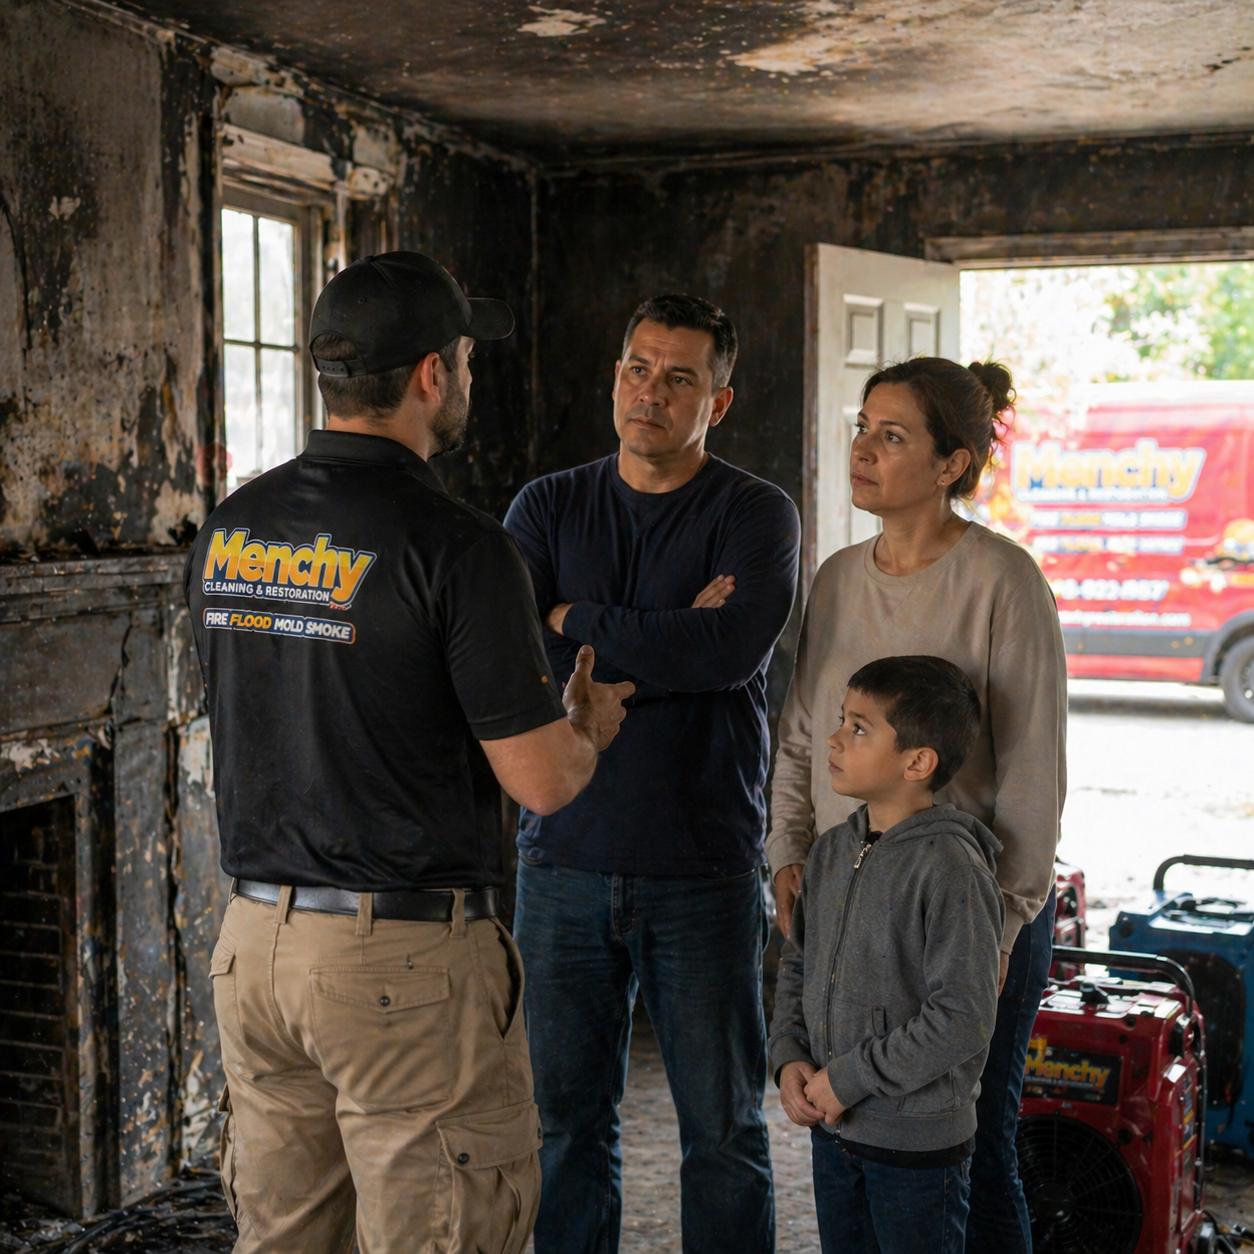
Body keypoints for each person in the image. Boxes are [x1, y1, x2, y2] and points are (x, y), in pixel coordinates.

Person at [185, 251, 633, 1254]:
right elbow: (542, 781)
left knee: (288, 1238)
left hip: (255, 949)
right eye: (467, 356)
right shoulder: (458, 547)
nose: (469, 376)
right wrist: (587, 729)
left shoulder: (231, 529)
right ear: (432, 374)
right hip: (401, 966)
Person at [503, 294, 800, 1254]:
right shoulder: (548, 504)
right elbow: (512, 654)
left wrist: (572, 619)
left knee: (723, 1133)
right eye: (638, 367)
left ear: (719, 399)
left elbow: (726, 652)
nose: (652, 392)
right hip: (563, 861)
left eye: (681, 377)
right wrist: (665, 632)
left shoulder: (756, 511)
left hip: (703, 865)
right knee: (564, 1124)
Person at [767, 357, 1066, 1254]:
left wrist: (1004, 926)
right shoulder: (837, 577)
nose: (863, 449)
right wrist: (787, 851)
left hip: (962, 916)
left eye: (891, 436)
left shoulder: (1003, 583)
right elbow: (799, 734)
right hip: (849, 896)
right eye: (862, 427)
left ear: (950, 464)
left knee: (971, 1153)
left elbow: (1032, 778)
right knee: (855, 1141)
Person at [770, 656, 1004, 1254]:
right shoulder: (828, 851)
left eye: (858, 728)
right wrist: (789, 1054)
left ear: (918, 763)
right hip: (834, 1129)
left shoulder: (950, 867)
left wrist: (847, 1079)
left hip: (916, 1149)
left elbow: (963, 1015)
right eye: (842, 721)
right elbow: (799, 963)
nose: (834, 738)